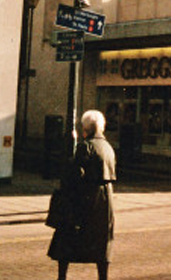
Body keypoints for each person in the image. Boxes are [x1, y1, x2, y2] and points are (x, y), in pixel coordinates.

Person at [48, 110, 117, 280]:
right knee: (101, 245)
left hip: (85, 201)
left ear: (85, 128)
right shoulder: (108, 147)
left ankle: (61, 277)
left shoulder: (85, 146)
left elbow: (74, 175)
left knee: (65, 239)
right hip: (104, 202)